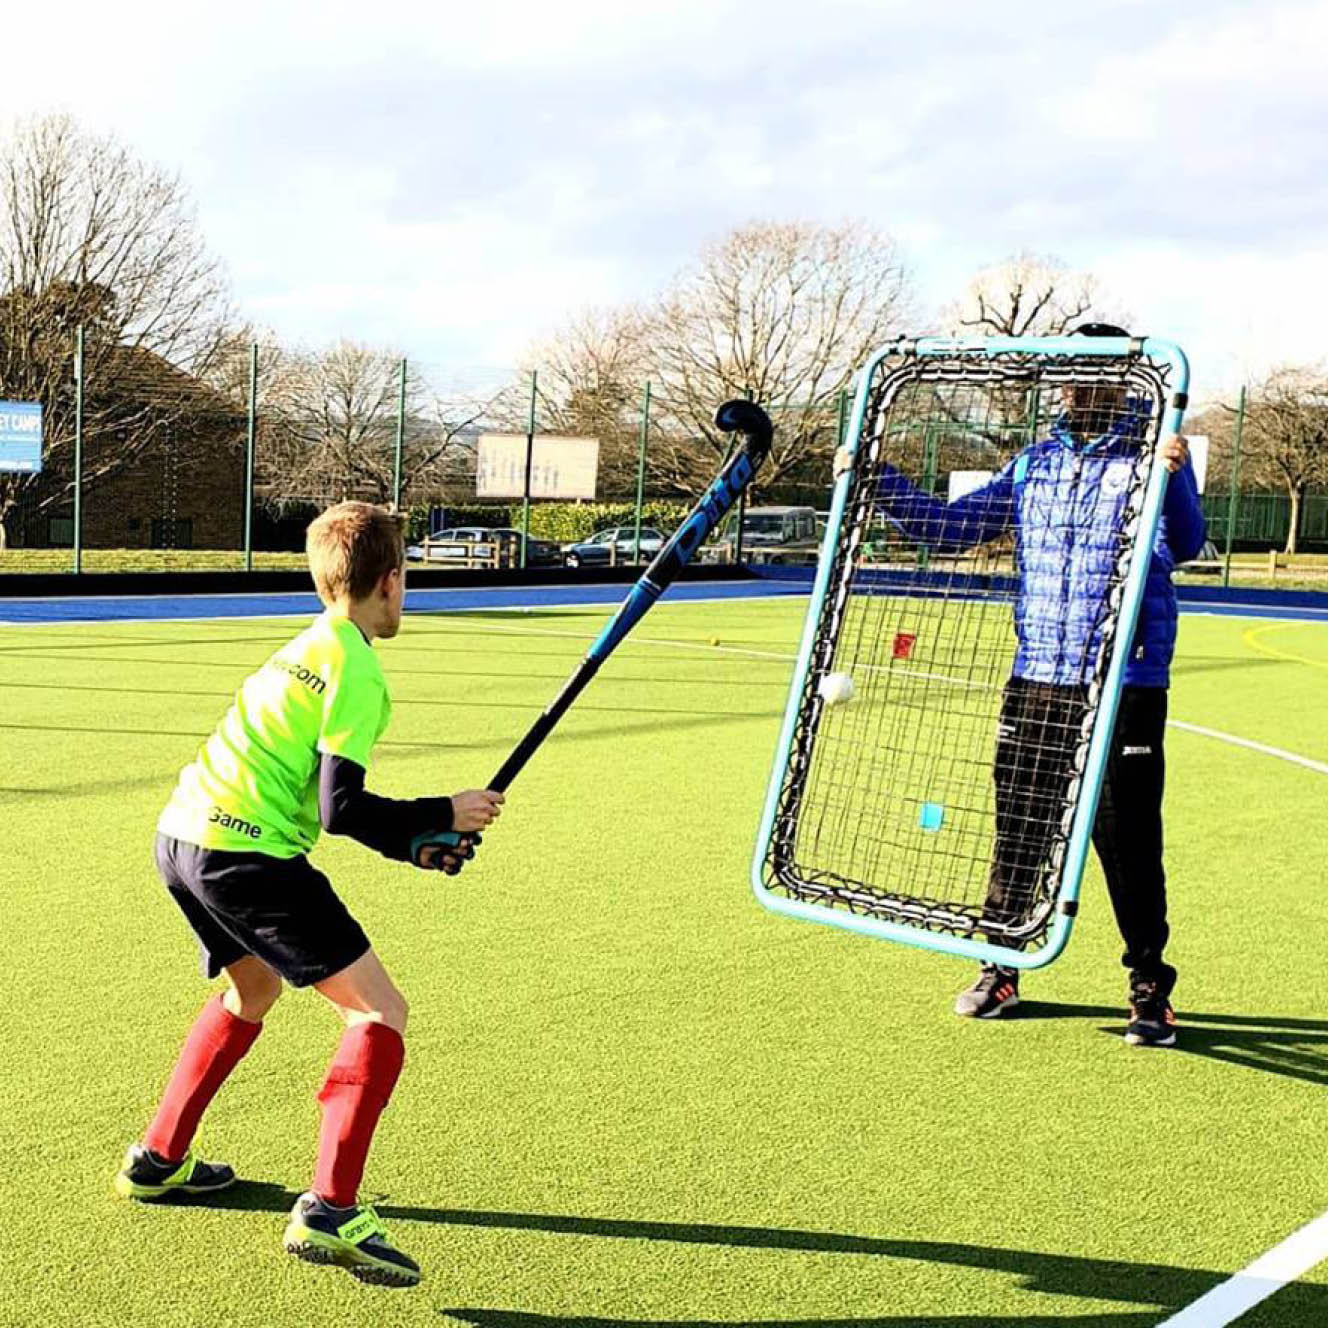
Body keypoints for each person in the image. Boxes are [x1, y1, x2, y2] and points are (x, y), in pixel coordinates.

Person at [114, 501, 504, 1285]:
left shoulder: (305, 643)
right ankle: (330, 1208)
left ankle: (158, 1158)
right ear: (391, 582)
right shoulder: (358, 669)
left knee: (250, 991)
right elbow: (343, 810)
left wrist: (418, 844)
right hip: (245, 858)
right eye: (404, 583)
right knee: (377, 1011)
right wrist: (440, 815)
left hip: (182, 838)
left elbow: (334, 807)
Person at [836, 325, 1206, 1046]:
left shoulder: (1151, 457)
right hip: (1038, 676)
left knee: (1126, 838)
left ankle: (1149, 988)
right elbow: (946, 529)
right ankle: (1000, 966)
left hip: (1124, 681)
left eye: (1092, 375)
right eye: (1068, 374)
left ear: (1123, 384)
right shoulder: (1032, 465)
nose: (1073, 387)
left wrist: (1177, 476)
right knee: (1021, 830)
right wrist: (872, 477)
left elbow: (1184, 546)